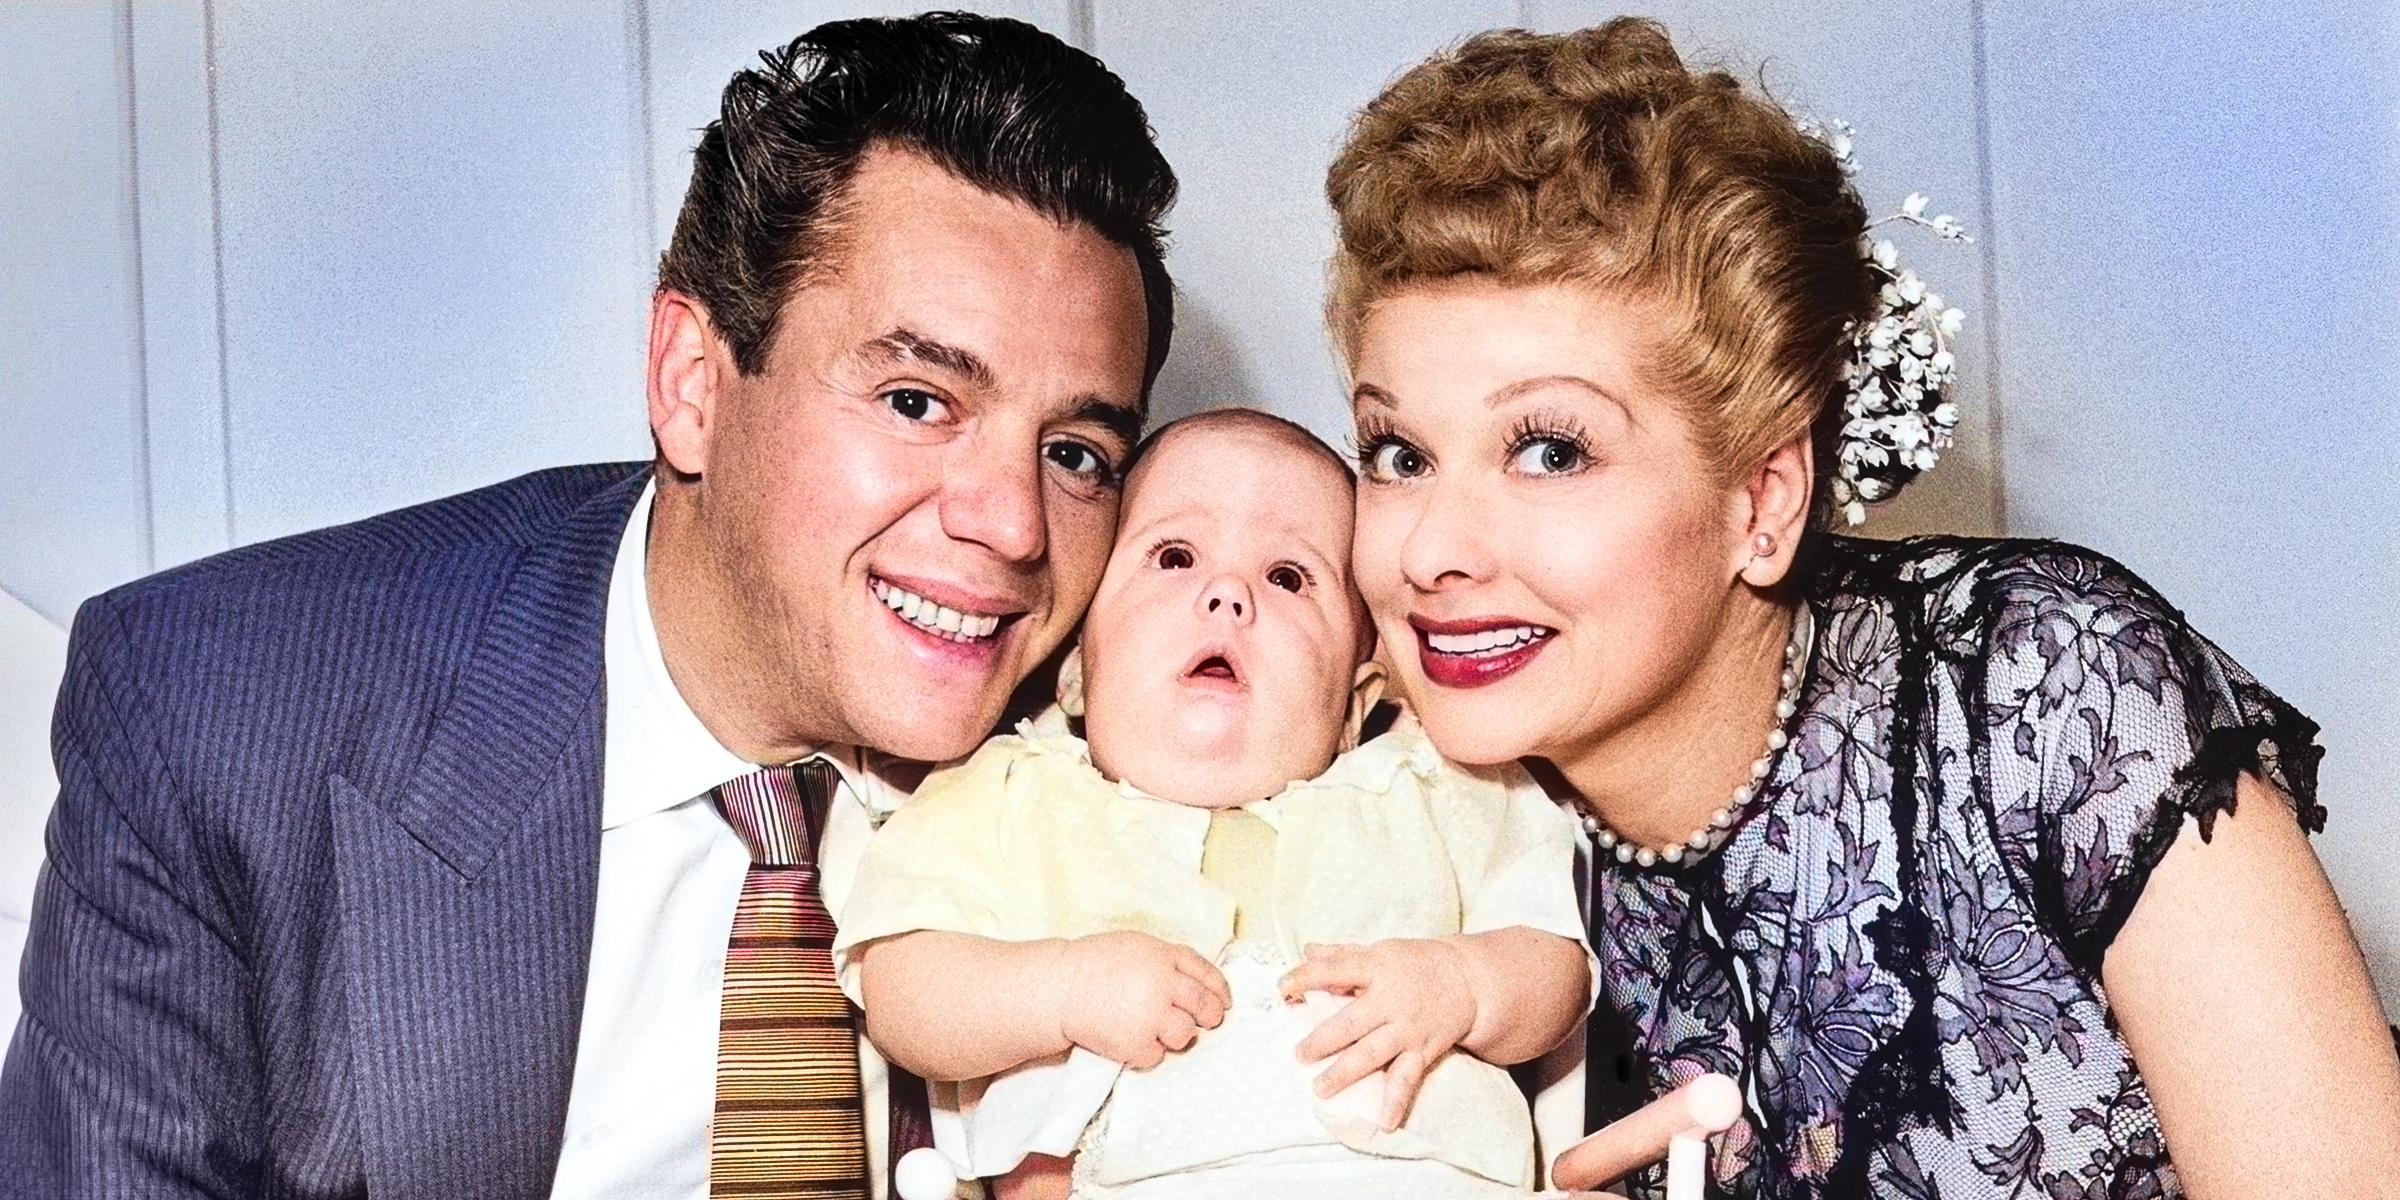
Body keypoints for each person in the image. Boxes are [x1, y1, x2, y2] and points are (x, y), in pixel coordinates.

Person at [0, 14, 1174, 1200]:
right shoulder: (218, 715)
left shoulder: (1152, 728)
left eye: (1076, 453)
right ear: (692, 384)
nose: (1015, 528)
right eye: (918, 401)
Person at [1324, 18, 2400, 1199]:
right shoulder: (1364, 794)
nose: (1430, 550)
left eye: (1549, 450)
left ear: (1761, 500)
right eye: (1398, 453)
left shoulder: (2044, 695)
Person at [834, 410, 1592, 1199]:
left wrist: (1460, 986)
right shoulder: (1006, 795)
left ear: (1353, 705)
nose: (1228, 594)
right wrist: (1062, 989)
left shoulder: (1437, 787)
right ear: (1077, 674)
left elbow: (1556, 968)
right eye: (1175, 556)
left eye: (1289, 577)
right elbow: (903, 987)